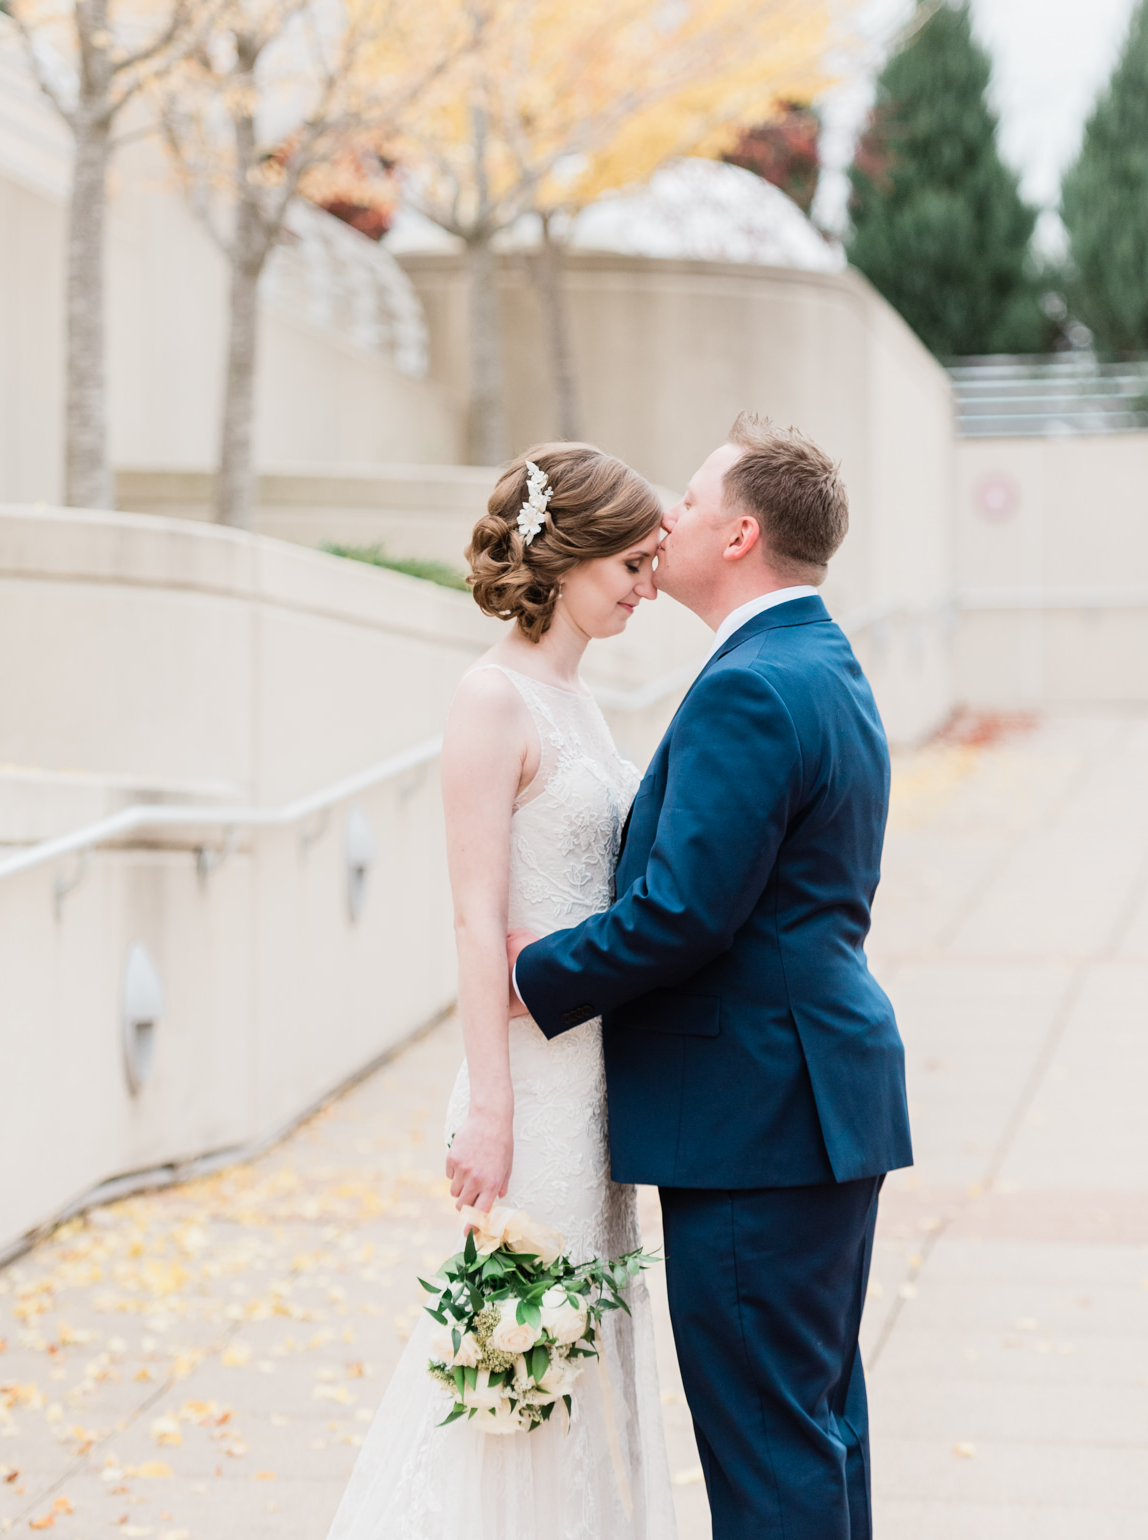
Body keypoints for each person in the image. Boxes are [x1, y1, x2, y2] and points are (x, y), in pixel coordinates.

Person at [510, 413, 912, 1540]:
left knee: (770, 1449)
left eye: (687, 502)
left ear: (738, 536)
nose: (665, 518)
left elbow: (681, 915)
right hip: (812, 1101)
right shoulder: (818, 661)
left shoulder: (750, 685)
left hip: (756, 1120)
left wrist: (528, 976)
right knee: (815, 1422)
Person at [325, 442, 677, 1540]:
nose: (646, 585)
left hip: (593, 1081)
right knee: (525, 1363)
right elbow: (476, 914)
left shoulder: (584, 701)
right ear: (566, 553)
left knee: (588, 1355)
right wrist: (488, 1109)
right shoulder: (489, 699)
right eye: (630, 562)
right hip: (524, 1089)